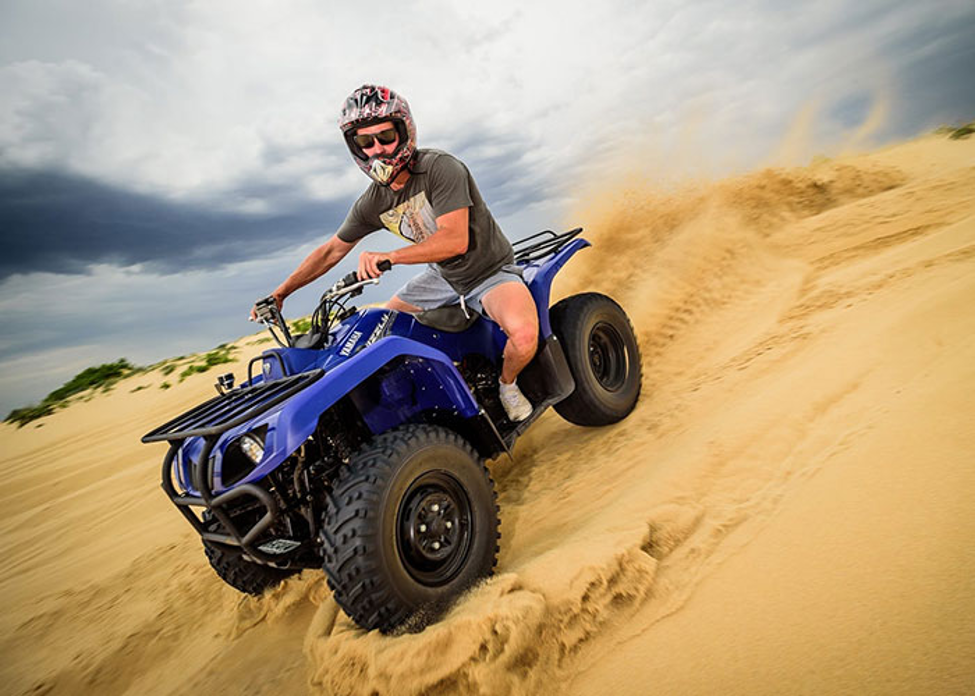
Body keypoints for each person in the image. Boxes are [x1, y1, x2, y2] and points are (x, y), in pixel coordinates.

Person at [251, 84, 537, 421]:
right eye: (364, 141)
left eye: (385, 136)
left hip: (487, 271)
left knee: (523, 334)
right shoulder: (373, 202)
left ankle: (507, 384)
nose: (376, 149)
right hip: (441, 277)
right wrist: (281, 292)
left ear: (404, 131)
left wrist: (389, 257)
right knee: (381, 330)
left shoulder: (439, 168)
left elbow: (454, 240)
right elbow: (330, 251)